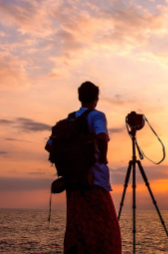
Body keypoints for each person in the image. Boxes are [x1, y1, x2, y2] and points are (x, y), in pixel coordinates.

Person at [48, 81, 122, 254]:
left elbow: (49, 145)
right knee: (108, 234)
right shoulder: (97, 116)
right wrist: (103, 158)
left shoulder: (68, 121)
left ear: (79, 97)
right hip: (94, 183)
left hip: (74, 185)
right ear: (96, 98)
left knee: (79, 235)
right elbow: (102, 136)